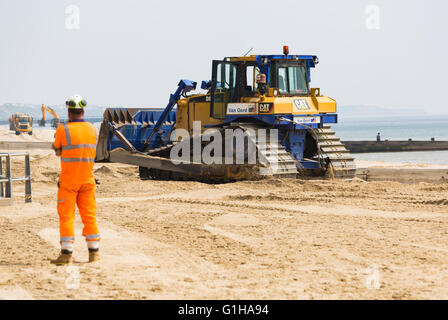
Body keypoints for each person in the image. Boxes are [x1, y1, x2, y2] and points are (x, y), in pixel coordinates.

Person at [51, 94, 100, 265]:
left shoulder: (63, 130)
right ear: (83, 111)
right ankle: (94, 254)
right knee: (90, 216)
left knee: (67, 217)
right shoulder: (93, 129)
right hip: (88, 180)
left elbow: (57, 150)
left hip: (68, 182)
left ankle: (66, 254)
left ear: (69, 112)